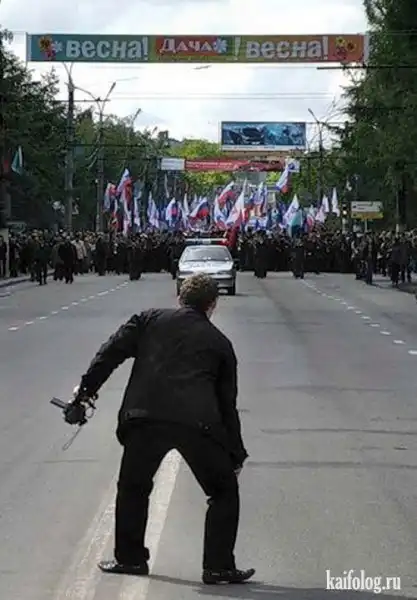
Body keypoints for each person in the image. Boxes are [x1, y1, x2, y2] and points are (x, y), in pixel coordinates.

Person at [73, 273, 254, 584]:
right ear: (212, 305)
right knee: (223, 492)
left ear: (179, 297)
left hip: (144, 418)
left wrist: (85, 392)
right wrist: (235, 454)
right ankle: (218, 567)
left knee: (133, 488)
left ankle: (130, 559)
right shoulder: (220, 342)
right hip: (197, 424)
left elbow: (110, 353)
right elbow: (227, 405)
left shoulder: (147, 320)